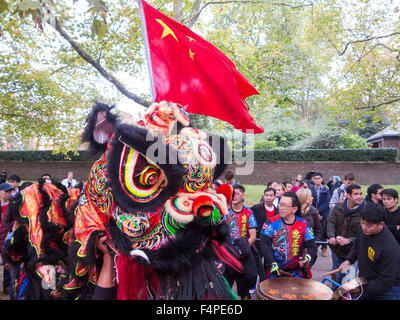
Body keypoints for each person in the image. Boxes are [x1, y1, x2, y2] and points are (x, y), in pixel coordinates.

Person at [338, 203, 400, 300]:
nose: (364, 227)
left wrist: (360, 289)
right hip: (366, 283)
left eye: (369, 225)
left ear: (382, 224)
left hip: (387, 291)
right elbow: (357, 245)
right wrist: (348, 261)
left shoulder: (389, 247)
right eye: (362, 222)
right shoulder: (363, 230)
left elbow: (386, 280)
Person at [260, 192, 316, 279]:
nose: (281, 208)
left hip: (296, 272)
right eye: (280, 204)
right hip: (274, 270)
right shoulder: (270, 223)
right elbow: (264, 245)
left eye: (285, 205)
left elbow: (312, 246)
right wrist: (272, 263)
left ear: (294, 209)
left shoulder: (303, 225)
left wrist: (307, 258)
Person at [224, 185, 263, 299]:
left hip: (244, 254)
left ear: (243, 196)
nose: (234, 196)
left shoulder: (248, 212)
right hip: (227, 254)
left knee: (245, 288)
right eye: (232, 194)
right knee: (225, 285)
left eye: (237, 193)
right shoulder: (225, 211)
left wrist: (242, 249)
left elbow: (253, 236)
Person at [327, 184, 365, 284]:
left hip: (351, 252)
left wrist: (349, 240)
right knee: (336, 274)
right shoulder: (339, 206)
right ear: (348, 195)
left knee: (346, 276)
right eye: (356, 194)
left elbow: (365, 232)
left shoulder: (365, 210)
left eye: (360, 194)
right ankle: (334, 292)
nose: (359, 196)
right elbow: (331, 222)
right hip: (336, 249)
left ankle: (344, 295)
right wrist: (331, 236)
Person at [296, 188, 323, 266]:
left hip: (309, 249)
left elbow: (319, 230)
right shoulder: (293, 211)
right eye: (310, 196)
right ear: (304, 198)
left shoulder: (313, 211)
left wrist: (314, 245)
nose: (312, 198)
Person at [251, 187, 278, 256]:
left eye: (271, 195)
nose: (268, 198)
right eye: (266, 195)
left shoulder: (278, 212)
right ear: (263, 197)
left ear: (275, 197)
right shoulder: (256, 208)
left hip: (271, 242)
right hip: (258, 241)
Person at [309, 172, 331, 257]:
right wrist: (315, 211)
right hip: (313, 214)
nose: (317, 180)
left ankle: (324, 248)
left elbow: (327, 202)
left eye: (319, 178)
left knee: (323, 231)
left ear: (321, 179)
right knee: (314, 230)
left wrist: (318, 211)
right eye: (315, 178)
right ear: (313, 179)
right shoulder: (311, 189)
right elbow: (309, 201)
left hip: (323, 214)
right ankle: (313, 248)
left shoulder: (326, 190)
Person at [0, 183, 14, 296]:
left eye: (10, 191)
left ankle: (7, 285)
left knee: (8, 261)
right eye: (6, 191)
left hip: (7, 236)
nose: (9, 194)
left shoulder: (13, 205)